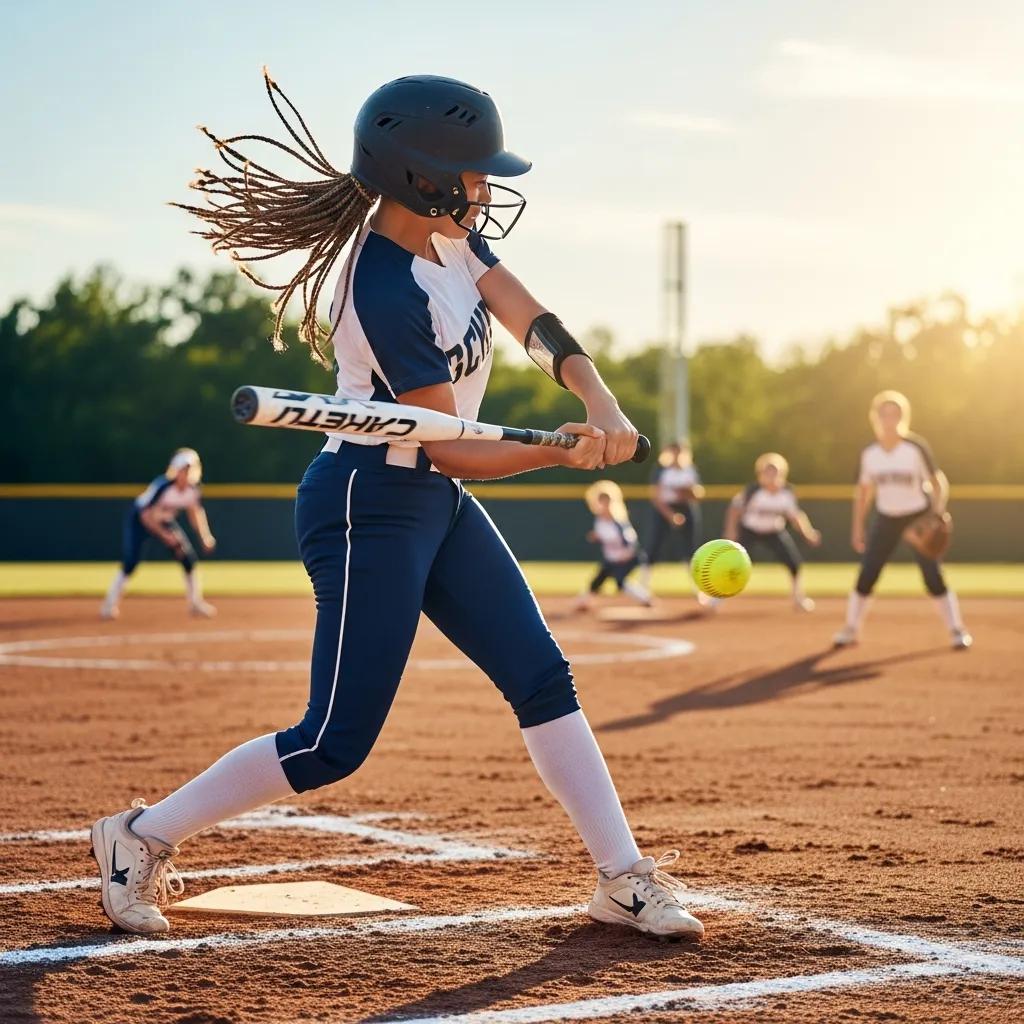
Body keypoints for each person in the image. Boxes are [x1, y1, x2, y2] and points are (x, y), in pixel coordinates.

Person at [89, 72, 704, 941]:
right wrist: (552, 449)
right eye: (478, 172)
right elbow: (451, 444)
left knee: (541, 675)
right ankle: (138, 838)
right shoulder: (383, 287)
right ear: (424, 177)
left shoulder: (454, 242)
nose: (489, 189)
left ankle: (621, 877)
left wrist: (600, 404)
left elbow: (534, 321)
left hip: (433, 495)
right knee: (332, 741)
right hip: (369, 499)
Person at [833, 390, 971, 649]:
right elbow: (863, 492)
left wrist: (936, 514)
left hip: (917, 516)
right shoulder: (869, 453)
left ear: (903, 417)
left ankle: (956, 629)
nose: (889, 418)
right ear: (875, 417)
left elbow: (938, 482)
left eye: (895, 413)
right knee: (868, 573)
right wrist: (857, 527)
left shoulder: (915, 447)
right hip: (887, 517)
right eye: (884, 413)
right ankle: (851, 628)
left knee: (932, 575)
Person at [100, 448, 216, 620]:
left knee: (188, 560)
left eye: (190, 469)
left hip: (163, 520)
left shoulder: (193, 490)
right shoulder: (163, 486)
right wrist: (166, 536)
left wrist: (205, 536)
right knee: (131, 562)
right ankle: (109, 605)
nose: (187, 473)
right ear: (176, 469)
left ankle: (195, 603)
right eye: (184, 469)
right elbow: (146, 516)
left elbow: (195, 513)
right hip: (139, 520)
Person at [723, 452, 820, 612]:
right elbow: (734, 510)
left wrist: (808, 533)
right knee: (734, 565)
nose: (771, 475)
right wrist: (730, 531)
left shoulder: (787, 492)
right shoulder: (753, 490)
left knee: (794, 564)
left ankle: (798, 598)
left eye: (775, 471)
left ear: (782, 473)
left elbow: (795, 516)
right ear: (760, 473)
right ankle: (715, 599)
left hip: (774, 531)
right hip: (750, 530)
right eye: (767, 471)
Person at [642, 440, 708, 602]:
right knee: (654, 547)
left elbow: (698, 494)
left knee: (690, 550)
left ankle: (697, 589)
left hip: (686, 508)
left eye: (679, 452)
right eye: (673, 452)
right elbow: (656, 496)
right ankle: (643, 587)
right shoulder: (660, 470)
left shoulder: (690, 470)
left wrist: (688, 492)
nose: (677, 455)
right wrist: (670, 515)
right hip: (664, 509)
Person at [574, 481, 651, 611]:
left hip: (625, 558)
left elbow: (630, 542)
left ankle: (645, 598)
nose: (604, 505)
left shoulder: (618, 520)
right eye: (601, 501)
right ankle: (583, 602)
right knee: (597, 581)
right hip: (612, 558)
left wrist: (624, 555)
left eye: (606, 501)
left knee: (620, 582)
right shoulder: (599, 520)